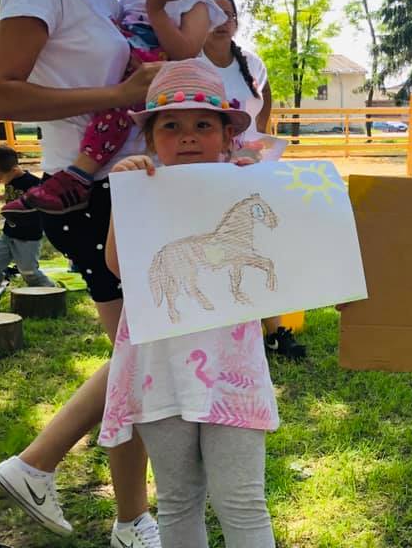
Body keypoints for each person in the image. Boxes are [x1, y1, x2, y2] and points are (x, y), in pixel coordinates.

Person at [0, 0, 163, 547]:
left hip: (127, 185)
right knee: (140, 351)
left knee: (140, 352)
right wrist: (117, 92)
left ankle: (124, 514)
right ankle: (48, 470)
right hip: (89, 195)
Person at [101, 60, 279, 548]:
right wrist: (123, 198)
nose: (187, 137)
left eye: (203, 124)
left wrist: (257, 185)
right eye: (171, 126)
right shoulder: (140, 188)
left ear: (226, 136)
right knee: (177, 498)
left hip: (233, 369)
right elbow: (118, 266)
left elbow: (285, 257)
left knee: (242, 500)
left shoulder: (245, 181)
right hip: (159, 369)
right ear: (150, 138)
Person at [3, 0, 226, 216]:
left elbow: (185, 51)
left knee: (117, 113)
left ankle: (78, 175)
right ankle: (73, 178)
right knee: (112, 111)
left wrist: (157, 13)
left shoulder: (197, 6)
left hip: (158, 82)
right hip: (128, 84)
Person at [201, 0, 306, 361]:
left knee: (260, 246)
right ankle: (224, 332)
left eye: (228, 14)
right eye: (211, 13)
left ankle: (276, 330)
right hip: (205, 174)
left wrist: (257, 139)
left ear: (236, 21)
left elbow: (264, 99)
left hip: (249, 169)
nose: (221, 21)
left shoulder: (251, 62)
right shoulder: (187, 61)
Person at [0, 144, 55, 308]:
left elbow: (43, 204)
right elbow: (12, 194)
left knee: (28, 271)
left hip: (28, 238)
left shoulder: (34, 184)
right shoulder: (10, 179)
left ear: (14, 170)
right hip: (7, 235)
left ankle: (51, 291)